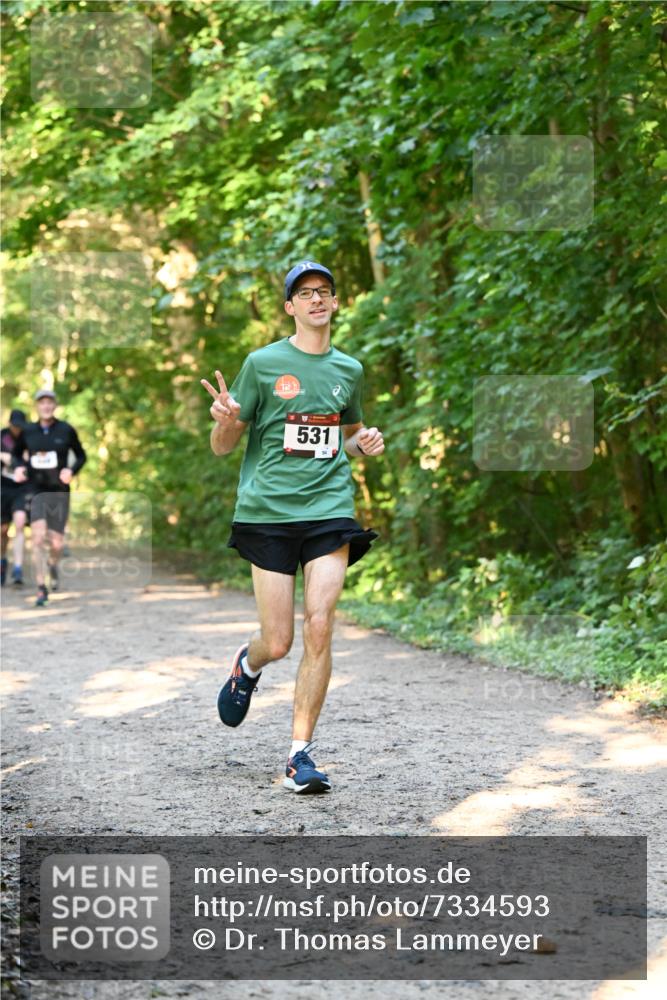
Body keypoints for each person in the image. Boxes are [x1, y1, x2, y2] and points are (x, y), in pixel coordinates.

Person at [201, 260, 384, 794]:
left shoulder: (348, 369)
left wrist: (362, 443)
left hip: (329, 509)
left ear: (333, 302)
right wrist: (226, 420)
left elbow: (343, 438)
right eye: (305, 293)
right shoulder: (262, 363)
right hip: (269, 514)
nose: (316, 299)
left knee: (321, 624)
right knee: (278, 641)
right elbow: (223, 447)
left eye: (324, 291)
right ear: (290, 307)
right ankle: (247, 665)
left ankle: (298, 755)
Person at [14, 388, 87, 607]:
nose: (46, 406)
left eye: (49, 402)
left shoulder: (66, 430)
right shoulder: (28, 431)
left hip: (59, 491)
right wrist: (18, 468)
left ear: (54, 405)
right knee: (37, 538)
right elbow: (17, 455)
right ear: (37, 406)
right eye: (42, 403)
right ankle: (41, 588)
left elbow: (82, 455)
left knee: (56, 543)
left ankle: (53, 565)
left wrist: (71, 471)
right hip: (35, 490)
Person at [1, 409, 29, 586]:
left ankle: (18, 568)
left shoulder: (29, 438)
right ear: (10, 424)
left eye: (20, 427)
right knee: (2, 530)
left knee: (19, 524)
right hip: (2, 488)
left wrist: (11, 458)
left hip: (21, 489)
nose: (17, 429)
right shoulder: (2, 436)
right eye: (15, 426)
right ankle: (2, 560)